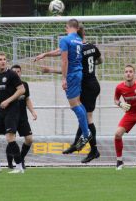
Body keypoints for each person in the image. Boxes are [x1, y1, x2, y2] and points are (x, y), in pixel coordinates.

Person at [42, 24, 103, 163]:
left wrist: (50, 70)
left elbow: (69, 68)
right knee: (84, 117)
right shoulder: (92, 47)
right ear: (84, 34)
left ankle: (91, 150)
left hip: (87, 86)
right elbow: (100, 61)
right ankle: (78, 145)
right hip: (93, 83)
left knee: (87, 118)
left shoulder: (77, 49)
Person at [35, 19, 91, 150]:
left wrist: (64, 79)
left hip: (71, 75)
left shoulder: (65, 39)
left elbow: (64, 61)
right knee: (78, 103)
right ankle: (86, 131)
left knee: (74, 106)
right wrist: (46, 54)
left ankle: (86, 133)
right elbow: (61, 51)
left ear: (67, 27)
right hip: (78, 73)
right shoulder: (78, 39)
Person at [0, 52, 26, 174]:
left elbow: (22, 90)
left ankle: (19, 167)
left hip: (12, 109)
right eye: (0, 59)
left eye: (4, 59)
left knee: (10, 138)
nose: (3, 61)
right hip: (1, 110)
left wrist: (8, 101)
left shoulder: (12, 74)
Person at [7, 65, 38, 169]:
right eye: (14, 71)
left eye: (18, 71)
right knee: (11, 139)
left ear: (21, 73)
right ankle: (10, 163)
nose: (16, 73)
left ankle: (21, 159)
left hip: (22, 117)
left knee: (29, 139)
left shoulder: (24, 85)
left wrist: (33, 112)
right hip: (11, 116)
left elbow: (27, 99)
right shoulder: (7, 85)